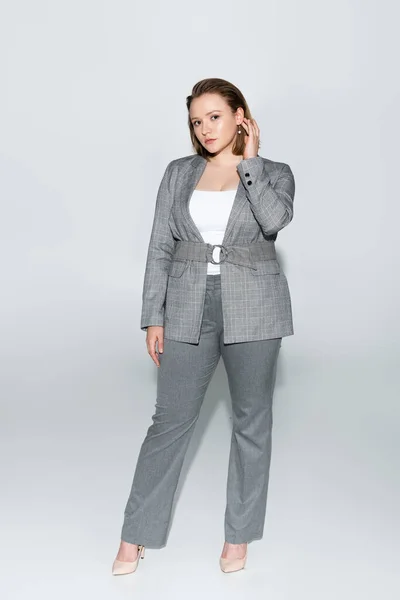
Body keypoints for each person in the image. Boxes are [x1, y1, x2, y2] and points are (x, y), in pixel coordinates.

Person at [112, 77, 295, 575]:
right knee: (169, 420)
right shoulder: (179, 172)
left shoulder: (274, 172)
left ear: (240, 116)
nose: (205, 128)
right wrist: (154, 315)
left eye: (215, 116)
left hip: (254, 303)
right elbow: (159, 246)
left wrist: (250, 164)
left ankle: (239, 536)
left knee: (251, 421)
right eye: (197, 120)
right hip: (188, 303)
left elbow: (275, 221)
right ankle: (136, 534)